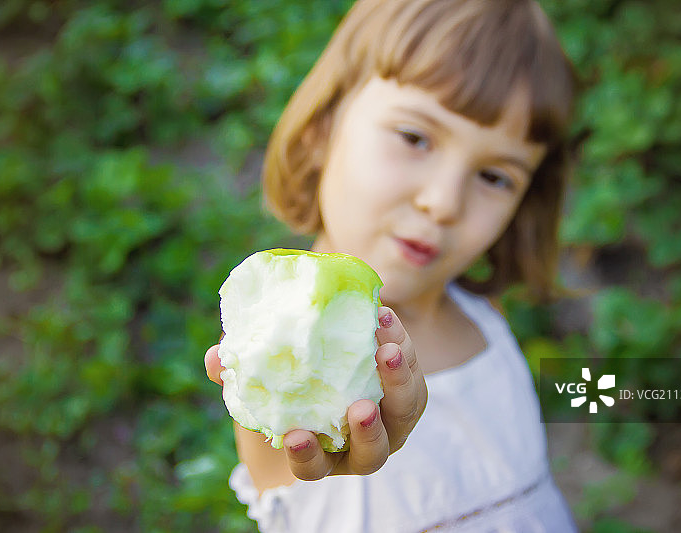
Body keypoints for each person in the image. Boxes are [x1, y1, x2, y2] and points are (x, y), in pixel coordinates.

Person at [204, 0, 579, 530]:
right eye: (415, 137)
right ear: (322, 128)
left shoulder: (481, 312)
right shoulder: (291, 356)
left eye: (495, 177)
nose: (445, 202)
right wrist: (309, 425)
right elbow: (285, 445)